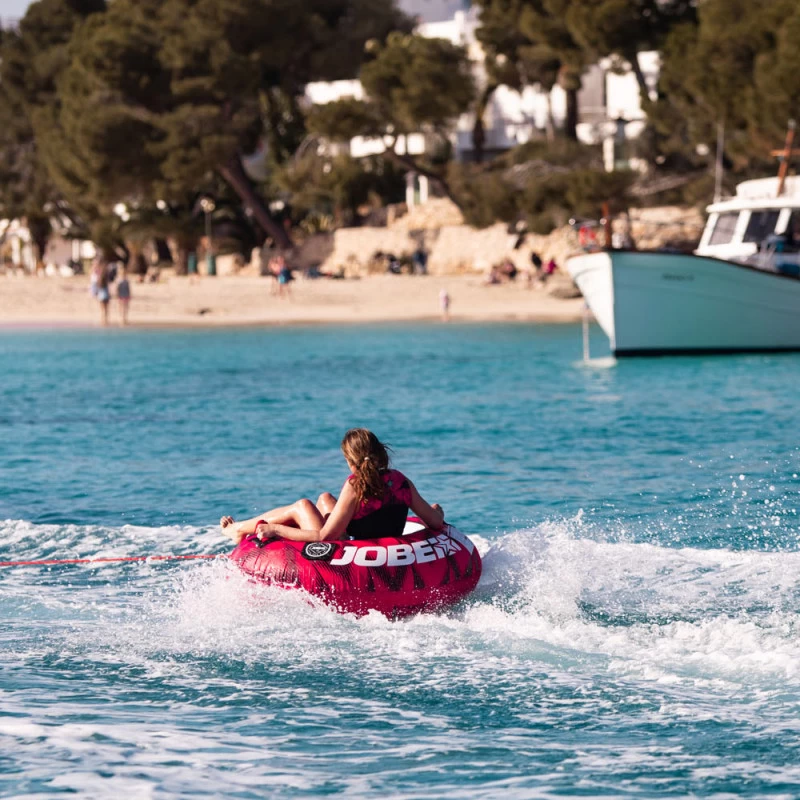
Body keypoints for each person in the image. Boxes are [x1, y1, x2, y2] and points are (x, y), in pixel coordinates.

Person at [219, 428, 444, 544]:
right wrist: (436, 511)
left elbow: (325, 537)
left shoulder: (355, 485)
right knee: (325, 498)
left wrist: (275, 530)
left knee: (303, 506)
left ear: (350, 461)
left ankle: (238, 529)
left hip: (345, 548)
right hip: (378, 543)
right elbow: (435, 522)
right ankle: (242, 529)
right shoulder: (401, 481)